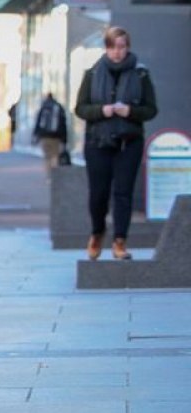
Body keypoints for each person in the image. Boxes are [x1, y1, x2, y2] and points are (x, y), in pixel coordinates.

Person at [74, 26, 158, 261]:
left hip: (128, 142)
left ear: (128, 47)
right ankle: (97, 232)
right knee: (98, 194)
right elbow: (80, 108)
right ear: (106, 48)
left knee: (123, 193)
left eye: (121, 46)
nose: (117, 52)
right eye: (112, 47)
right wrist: (102, 110)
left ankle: (120, 241)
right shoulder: (92, 73)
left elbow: (151, 110)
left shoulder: (141, 74)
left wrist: (130, 110)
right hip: (97, 142)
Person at [32, 93, 67, 176]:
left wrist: (36, 135)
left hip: (44, 136)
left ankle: (49, 176)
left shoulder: (43, 107)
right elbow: (63, 124)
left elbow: (38, 122)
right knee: (55, 156)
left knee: (47, 157)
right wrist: (64, 139)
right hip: (56, 137)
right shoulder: (59, 107)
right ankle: (54, 175)